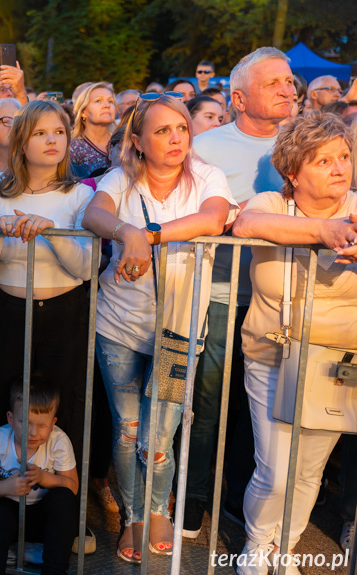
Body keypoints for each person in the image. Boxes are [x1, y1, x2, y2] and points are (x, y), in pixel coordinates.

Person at [81, 92, 237, 561]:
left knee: (159, 434)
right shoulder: (119, 179)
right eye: (162, 130)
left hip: (179, 331)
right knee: (128, 428)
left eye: (182, 128)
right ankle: (131, 516)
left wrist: (145, 237)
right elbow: (93, 213)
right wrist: (125, 232)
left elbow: (212, 217)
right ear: (138, 140)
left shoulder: (207, 176)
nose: (175, 138)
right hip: (119, 326)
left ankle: (158, 509)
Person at [230, 112, 357, 573]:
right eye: (324, 160)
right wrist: (324, 231)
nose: (340, 168)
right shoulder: (272, 203)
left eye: (344, 156)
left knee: (309, 470)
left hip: (338, 363)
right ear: (293, 172)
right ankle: (257, 544)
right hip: (273, 354)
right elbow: (244, 226)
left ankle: (286, 547)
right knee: (278, 469)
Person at [188, 47, 295, 535]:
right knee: (208, 402)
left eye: (289, 81)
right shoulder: (206, 146)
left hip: (286, 301)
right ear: (238, 97)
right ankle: (192, 497)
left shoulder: (303, 143)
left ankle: (236, 501)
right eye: (274, 82)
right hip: (221, 293)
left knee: (264, 413)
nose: (288, 89)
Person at [0, 99, 94, 465]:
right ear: (21, 141)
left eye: (59, 132)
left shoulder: (80, 195)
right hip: (7, 310)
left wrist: (52, 233)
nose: (52, 140)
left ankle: (60, 496)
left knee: (66, 399)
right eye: (40, 133)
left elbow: (87, 269)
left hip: (65, 313)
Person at [0, 378, 80, 575]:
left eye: (42, 425)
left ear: (52, 424)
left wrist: (43, 477)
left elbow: (73, 486)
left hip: (44, 521)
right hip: (10, 516)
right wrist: (5, 487)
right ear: (10, 418)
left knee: (64, 499)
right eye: (25, 422)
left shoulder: (59, 440)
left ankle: (54, 570)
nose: (34, 432)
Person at [70, 82, 116, 178]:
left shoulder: (124, 141)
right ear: (83, 112)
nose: (107, 105)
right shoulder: (72, 148)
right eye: (98, 101)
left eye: (110, 101)